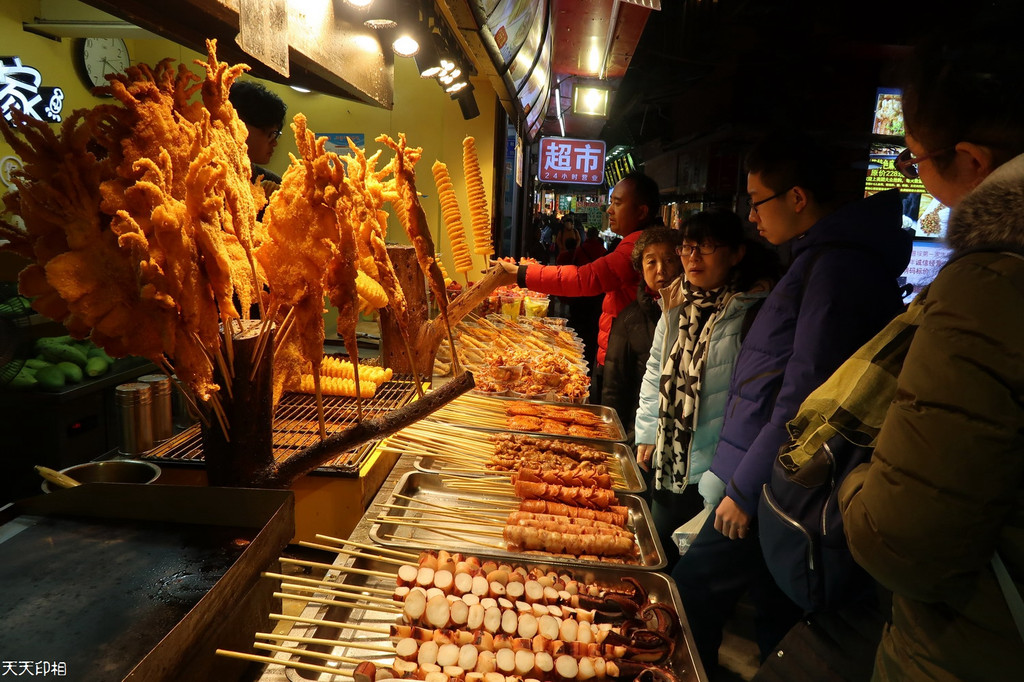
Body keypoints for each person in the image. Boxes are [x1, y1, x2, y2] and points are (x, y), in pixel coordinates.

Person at [671, 132, 912, 675]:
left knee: (689, 598)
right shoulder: (817, 260)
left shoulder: (836, 269)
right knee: (776, 621)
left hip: (775, 484)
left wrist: (745, 488)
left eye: (758, 201)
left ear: (797, 198)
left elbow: (805, 395)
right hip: (768, 478)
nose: (752, 216)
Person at [838, 11, 1024, 680]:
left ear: (972, 162)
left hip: (975, 650)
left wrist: (855, 479)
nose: (915, 178)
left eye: (913, 159)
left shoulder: (991, 288)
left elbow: (903, 540)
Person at [631, 213, 778, 571]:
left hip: (714, 476)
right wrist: (648, 431)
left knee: (693, 576)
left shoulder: (750, 312)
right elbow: (655, 371)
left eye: (706, 247)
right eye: (687, 247)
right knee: (655, 556)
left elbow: (753, 404)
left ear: (736, 254)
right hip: (669, 461)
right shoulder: (675, 306)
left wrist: (728, 478)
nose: (692, 257)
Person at [495, 173, 660, 379]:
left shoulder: (637, 246)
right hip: (621, 349)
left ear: (642, 211)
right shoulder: (642, 241)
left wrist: (519, 274)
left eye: (617, 203)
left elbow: (585, 278)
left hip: (624, 358)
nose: (609, 210)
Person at [602, 226, 683, 446]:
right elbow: (614, 389)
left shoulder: (695, 313)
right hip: (638, 437)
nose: (661, 270)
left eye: (669, 260)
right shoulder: (629, 320)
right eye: (651, 262)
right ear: (640, 268)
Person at [228, 80, 287, 195]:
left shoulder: (272, 184)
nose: (275, 143)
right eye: (271, 134)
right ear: (239, 125)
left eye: (276, 135)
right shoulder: (203, 179)